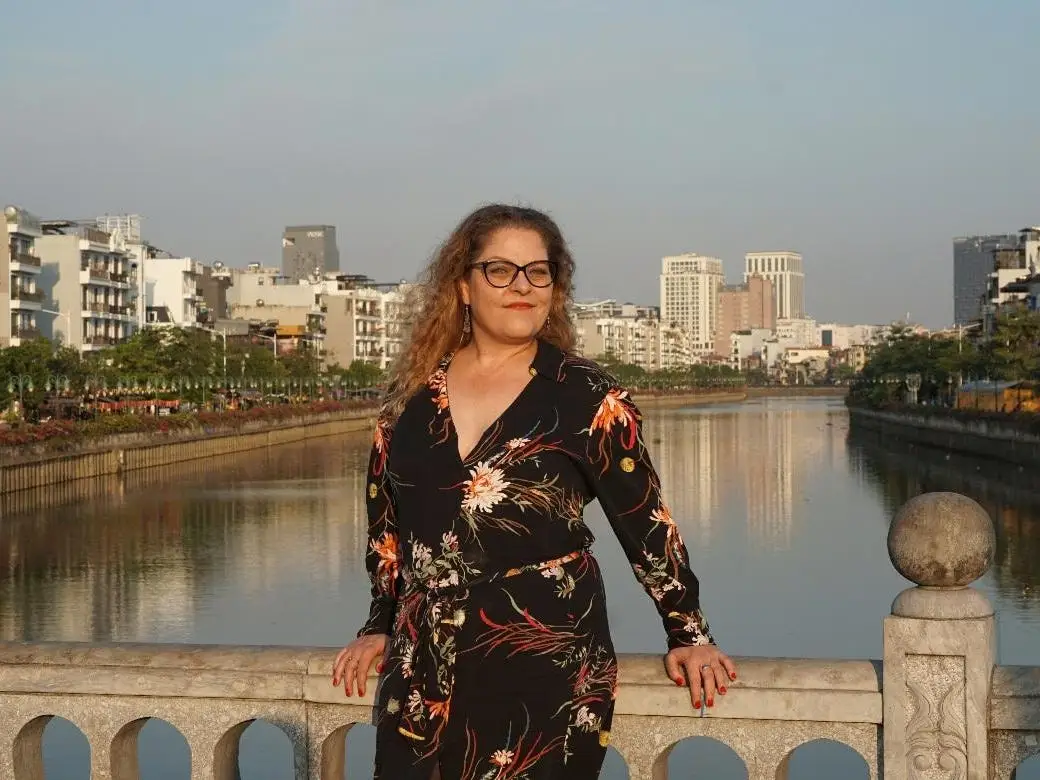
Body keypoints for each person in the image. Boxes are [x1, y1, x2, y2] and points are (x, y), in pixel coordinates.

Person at [332, 204, 736, 779]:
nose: (521, 285)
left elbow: (645, 522)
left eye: (537, 272)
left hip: (546, 664)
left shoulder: (584, 396)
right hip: (423, 666)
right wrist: (379, 623)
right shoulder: (410, 402)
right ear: (464, 287)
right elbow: (387, 531)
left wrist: (688, 632)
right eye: (500, 270)